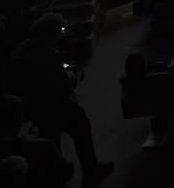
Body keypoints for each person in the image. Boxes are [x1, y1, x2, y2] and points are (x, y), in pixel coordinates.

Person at [9, 13, 113, 185]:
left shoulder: (19, 50)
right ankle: (91, 169)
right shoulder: (47, 54)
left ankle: (55, 176)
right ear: (50, 33)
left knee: (50, 136)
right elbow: (64, 84)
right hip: (56, 104)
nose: (60, 36)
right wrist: (72, 75)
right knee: (81, 127)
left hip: (32, 107)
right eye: (58, 32)